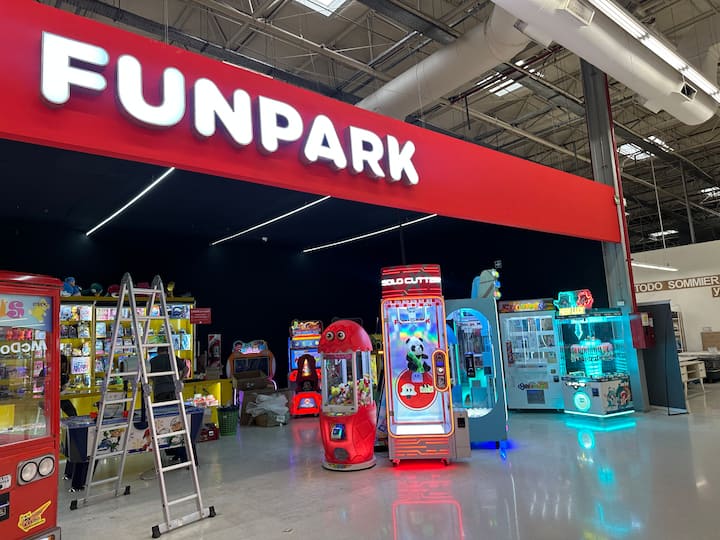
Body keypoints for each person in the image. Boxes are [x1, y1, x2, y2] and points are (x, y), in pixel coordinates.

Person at [150, 347, 190, 463]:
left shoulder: (153, 361)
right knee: (176, 421)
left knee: (162, 421)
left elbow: (147, 375)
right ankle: (179, 451)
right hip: (173, 392)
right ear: (167, 350)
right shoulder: (173, 358)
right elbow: (186, 368)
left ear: (158, 351)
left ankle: (167, 448)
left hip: (159, 393)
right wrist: (180, 380)